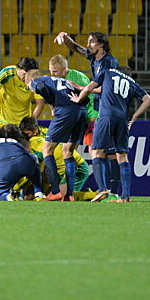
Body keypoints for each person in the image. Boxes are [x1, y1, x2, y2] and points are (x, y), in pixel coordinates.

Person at [70, 66, 150, 203]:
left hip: (106, 116)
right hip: (122, 119)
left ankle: (103, 189)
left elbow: (91, 88)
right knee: (122, 156)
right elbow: (148, 99)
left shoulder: (108, 72)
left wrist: (79, 98)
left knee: (96, 151)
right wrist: (135, 116)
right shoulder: (131, 83)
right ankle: (125, 196)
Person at [55, 31, 121, 199]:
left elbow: (106, 88)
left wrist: (80, 92)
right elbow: (77, 48)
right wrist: (65, 37)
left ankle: (112, 191)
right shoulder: (94, 58)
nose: (88, 44)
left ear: (101, 45)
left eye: (91, 42)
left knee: (109, 153)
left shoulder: (109, 62)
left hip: (109, 109)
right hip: (101, 109)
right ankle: (108, 191)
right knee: (103, 151)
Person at [24, 70, 87, 202]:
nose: (30, 89)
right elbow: (85, 98)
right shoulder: (62, 81)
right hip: (81, 111)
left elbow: (40, 88)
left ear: (30, 80)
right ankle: (69, 195)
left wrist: (53, 104)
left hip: (65, 111)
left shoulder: (37, 81)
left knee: (47, 149)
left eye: (28, 86)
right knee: (68, 151)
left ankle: (56, 192)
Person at [19, 117, 90, 200]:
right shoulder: (35, 137)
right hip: (59, 165)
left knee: (64, 198)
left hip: (77, 167)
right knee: (37, 196)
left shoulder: (47, 135)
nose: (25, 137)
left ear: (35, 130)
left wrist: (18, 186)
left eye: (27, 134)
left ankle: (93, 195)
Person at [0, 125, 43, 201]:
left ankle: (10, 197)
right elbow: (28, 153)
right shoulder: (15, 141)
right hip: (24, 161)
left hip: (5, 165)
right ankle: (39, 193)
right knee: (33, 157)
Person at [0, 57, 44, 125]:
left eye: (30, 75)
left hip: (23, 122)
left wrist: (30, 123)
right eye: (25, 74)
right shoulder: (6, 73)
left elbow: (40, 104)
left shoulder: (34, 79)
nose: (27, 78)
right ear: (19, 68)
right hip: (3, 120)